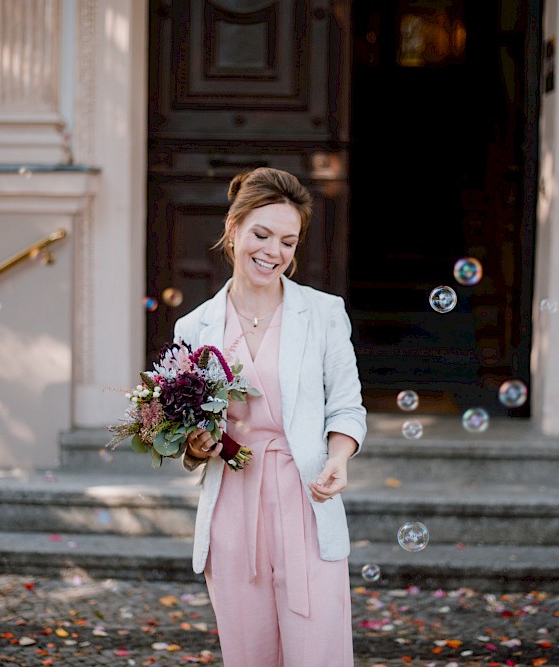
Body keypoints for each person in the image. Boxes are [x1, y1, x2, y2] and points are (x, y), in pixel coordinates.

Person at [173, 167, 367, 666]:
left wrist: (339, 459)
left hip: (305, 492)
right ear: (233, 229)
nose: (273, 252)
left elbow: (347, 404)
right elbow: (187, 435)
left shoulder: (324, 313)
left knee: (315, 647)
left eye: (287, 240)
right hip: (233, 503)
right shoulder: (195, 326)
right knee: (248, 652)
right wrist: (195, 445)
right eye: (261, 234)